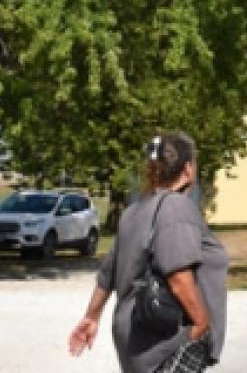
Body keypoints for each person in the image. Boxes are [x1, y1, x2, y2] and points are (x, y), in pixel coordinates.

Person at [68, 132, 229, 372]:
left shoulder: (134, 211)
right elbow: (178, 277)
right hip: (165, 341)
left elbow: (107, 275)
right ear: (187, 169)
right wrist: (202, 323)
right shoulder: (176, 206)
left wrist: (92, 316)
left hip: (136, 339)